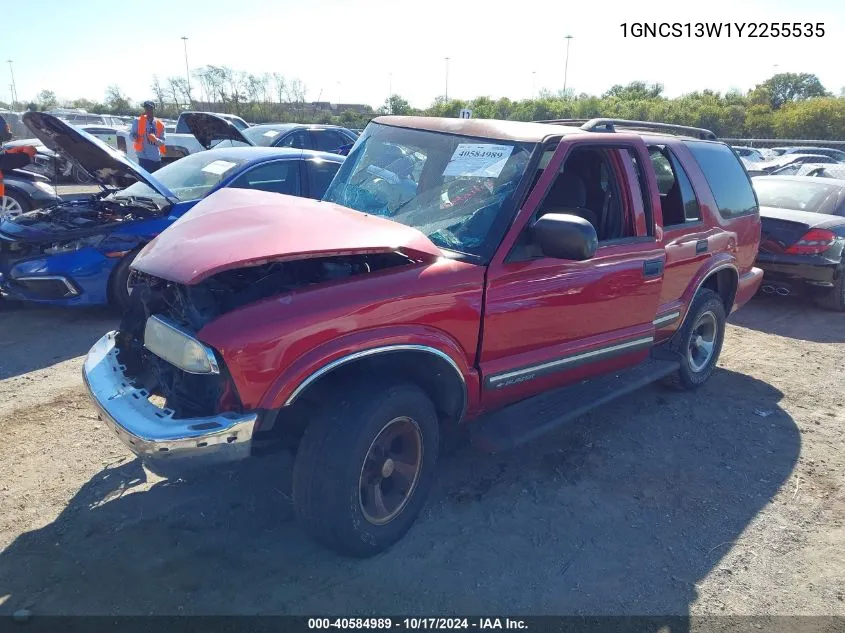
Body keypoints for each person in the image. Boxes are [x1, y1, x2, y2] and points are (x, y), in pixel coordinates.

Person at [131, 100, 166, 172]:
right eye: (146, 108)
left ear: (153, 109)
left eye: (150, 108)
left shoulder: (160, 124)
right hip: (143, 158)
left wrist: (155, 140)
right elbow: (131, 136)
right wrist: (135, 136)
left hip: (156, 158)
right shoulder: (138, 121)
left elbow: (162, 142)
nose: (148, 110)